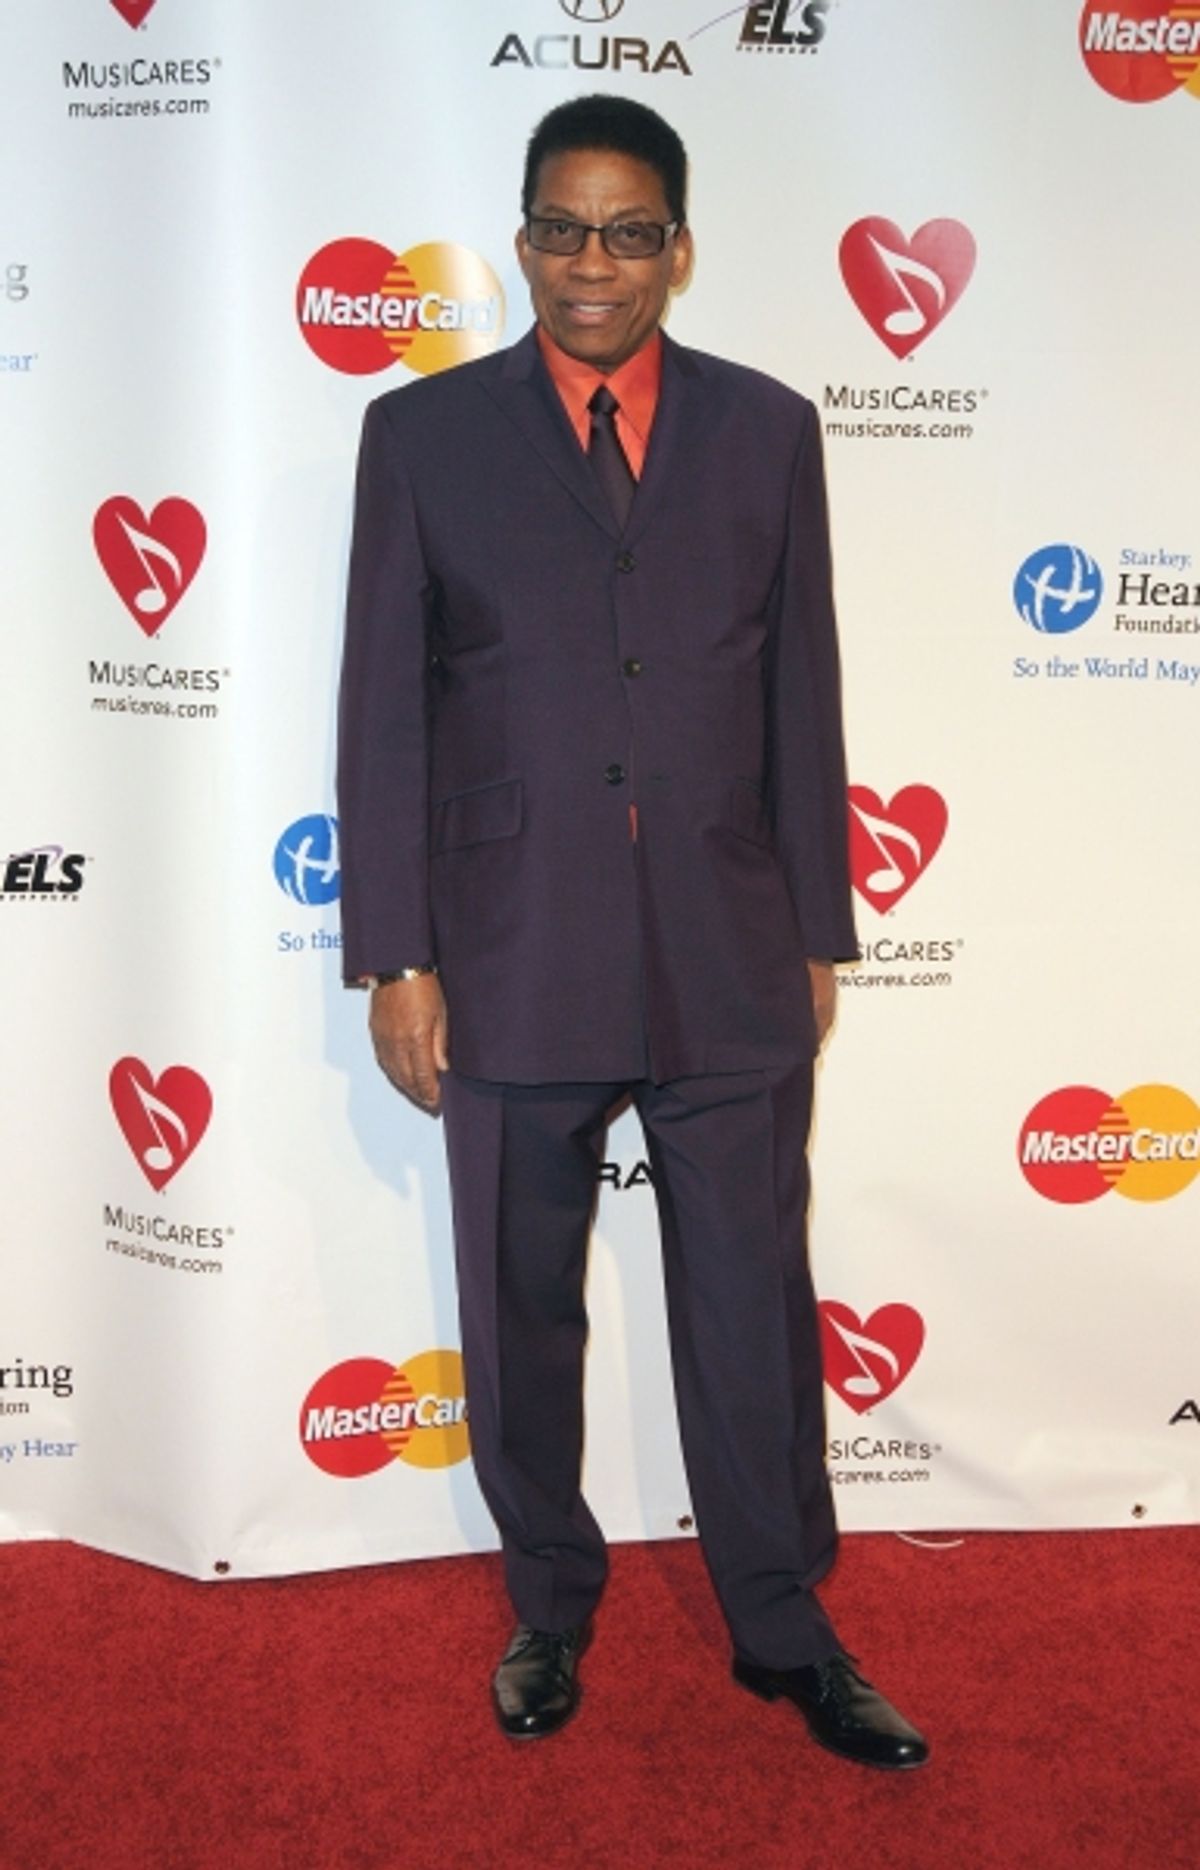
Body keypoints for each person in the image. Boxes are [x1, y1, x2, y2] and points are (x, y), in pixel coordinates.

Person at [338, 93, 928, 1770]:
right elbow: (385, 713)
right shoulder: (423, 437)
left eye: (628, 232)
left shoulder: (768, 430)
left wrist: (819, 918)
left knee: (751, 1298)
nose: (592, 265)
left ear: (678, 244)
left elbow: (799, 691)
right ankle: (549, 1596)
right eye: (562, 230)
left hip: (731, 936)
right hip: (508, 940)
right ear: (521, 238)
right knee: (520, 1309)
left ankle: (784, 1623)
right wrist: (399, 951)